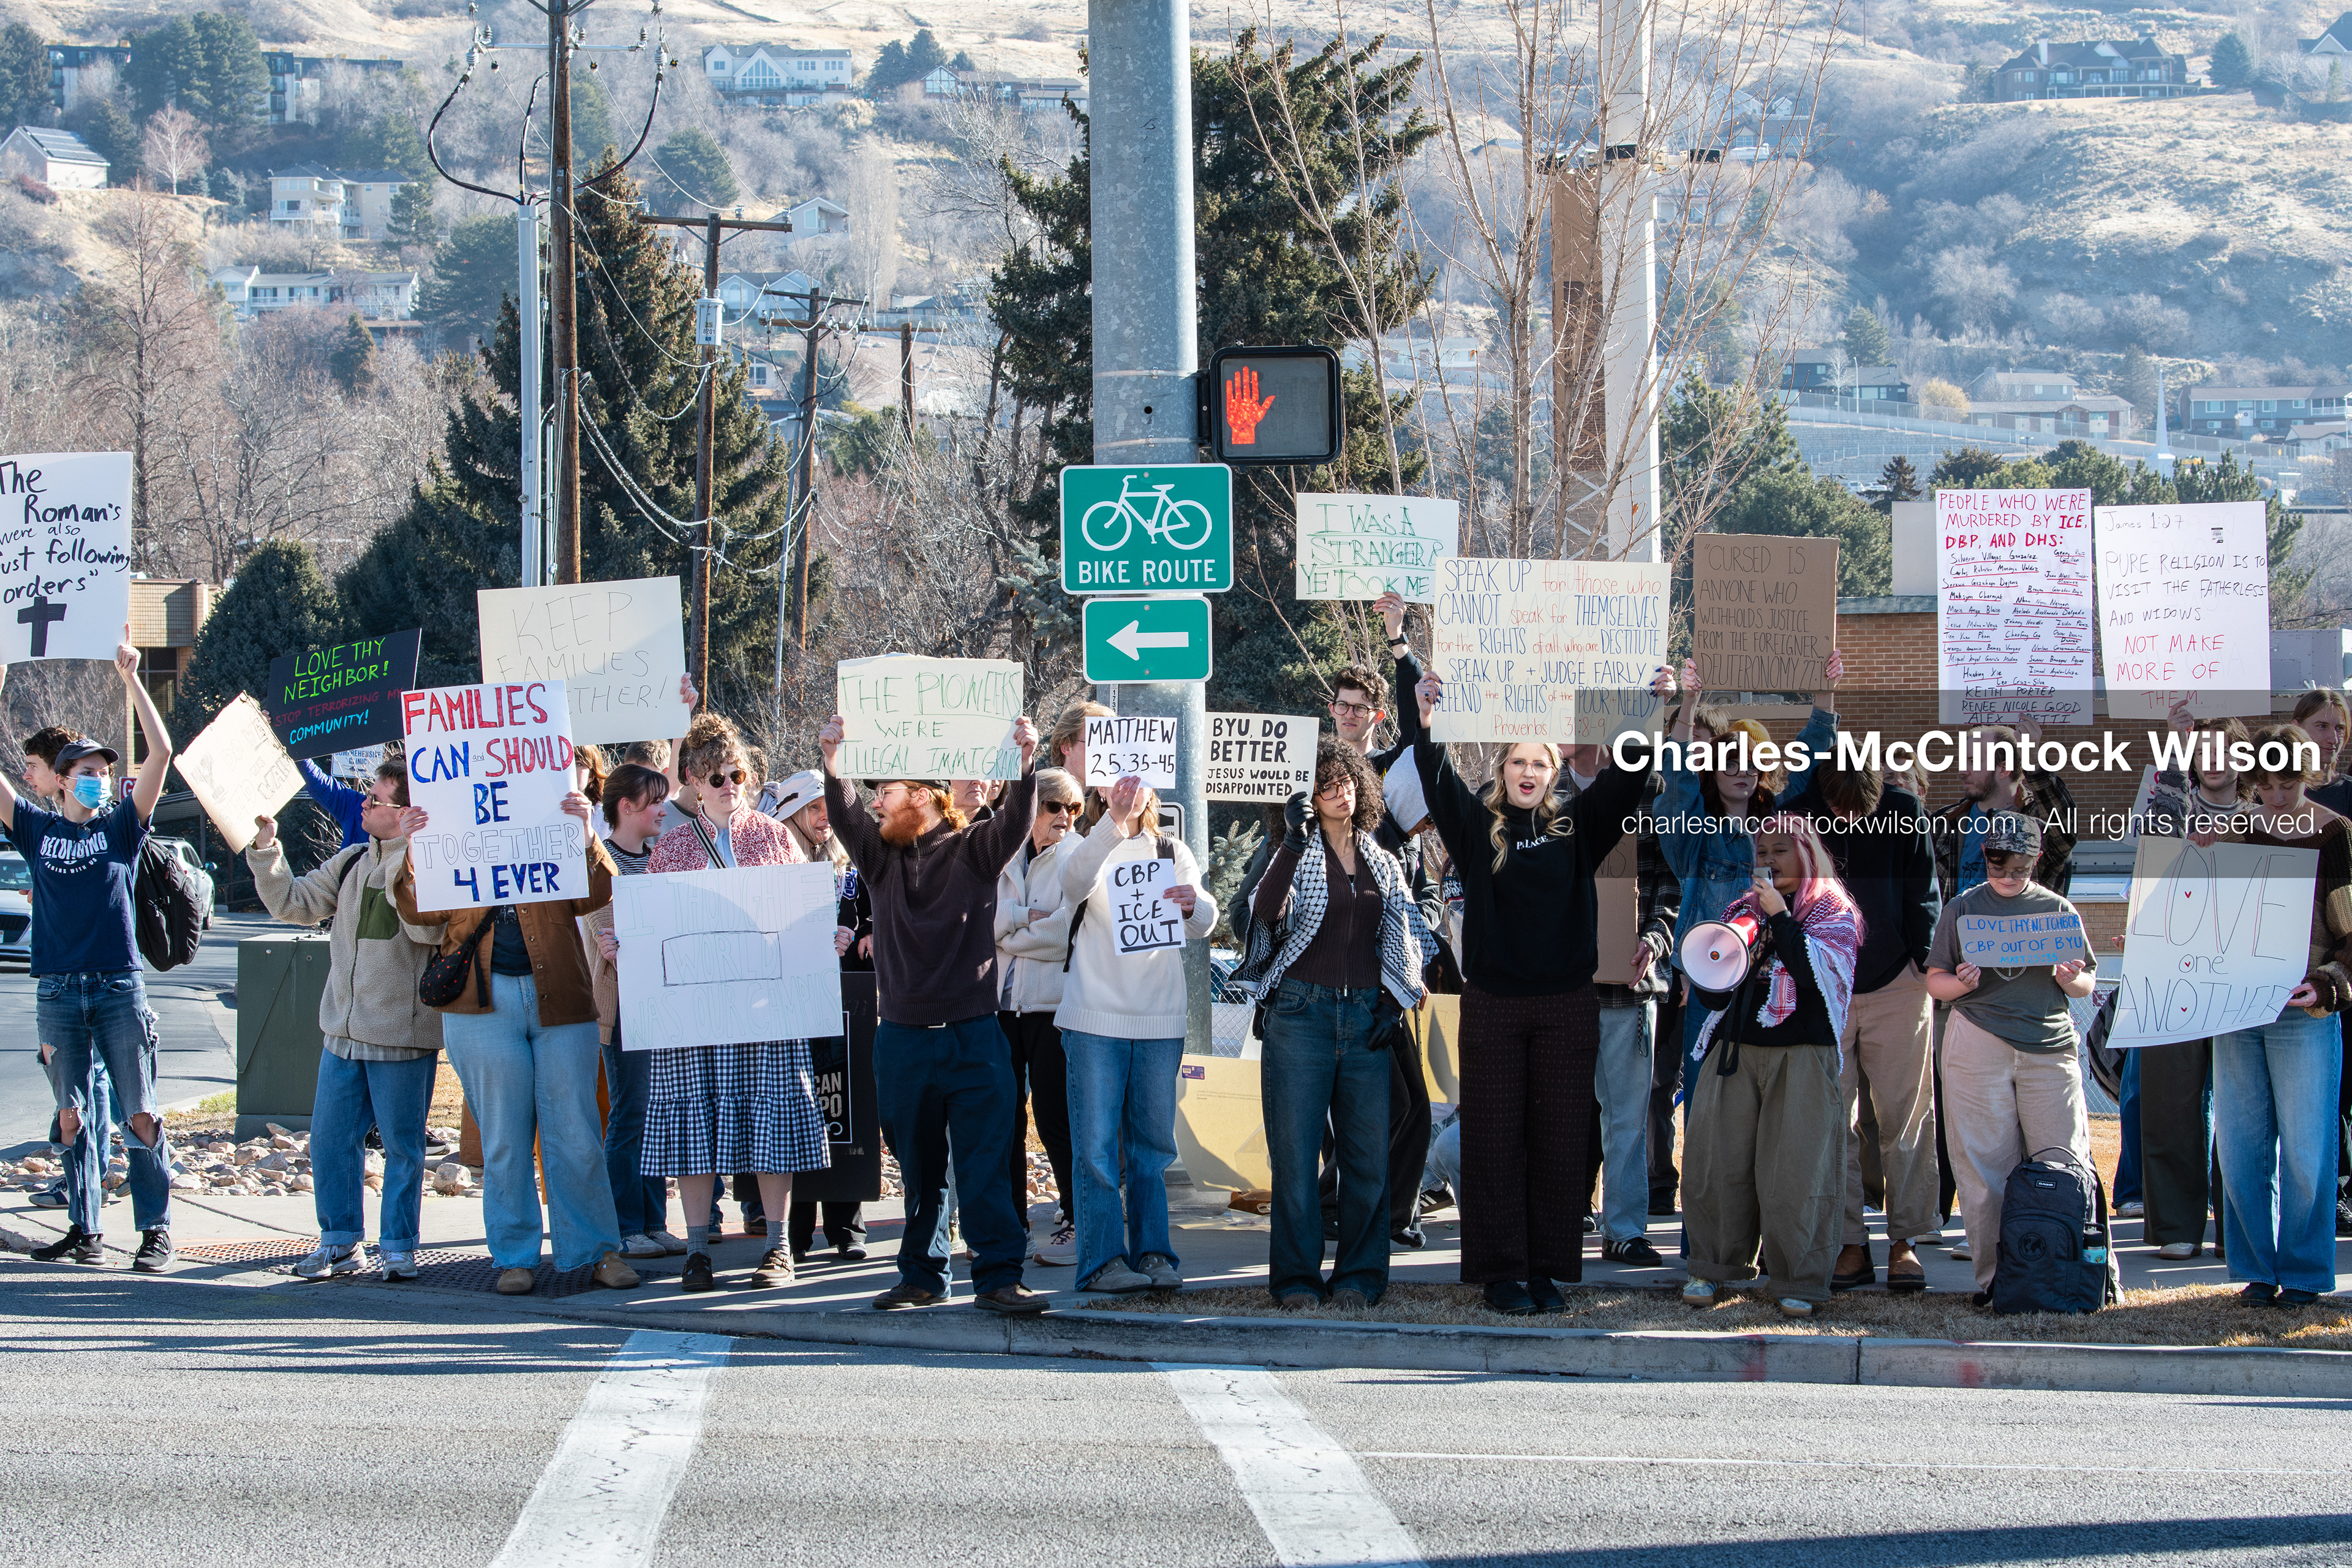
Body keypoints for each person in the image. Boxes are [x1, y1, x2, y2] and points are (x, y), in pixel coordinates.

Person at [1402, 666, 1650, 1314]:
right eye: (1518, 761)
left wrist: (1649, 705)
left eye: (1540, 761)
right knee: (1494, 1139)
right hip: (1493, 1008)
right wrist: (1424, 717)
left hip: (1567, 1006)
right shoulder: (1478, 830)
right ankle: (1502, 1273)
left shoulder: (1579, 826)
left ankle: (1546, 1270)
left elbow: (1627, 779)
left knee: (1560, 1138)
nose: (1529, 771)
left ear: (1553, 770)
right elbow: (1437, 775)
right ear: (1505, 769)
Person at [818, 710, 1050, 1314]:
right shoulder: (879, 859)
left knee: (985, 1165)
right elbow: (843, 815)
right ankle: (922, 1274)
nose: (877, 803)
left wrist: (1026, 762)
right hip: (901, 1040)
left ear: (920, 797)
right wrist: (833, 760)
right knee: (921, 1171)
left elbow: (1019, 819)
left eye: (886, 793)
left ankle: (1000, 1276)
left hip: (974, 1037)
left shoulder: (975, 850)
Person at [396, 780, 638, 1296]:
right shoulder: (449, 825)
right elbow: (420, 911)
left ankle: (599, 1251)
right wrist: (414, 849)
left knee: (577, 1130)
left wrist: (585, 834)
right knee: (504, 1137)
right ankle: (514, 1256)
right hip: (480, 1004)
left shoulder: (550, 814)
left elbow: (596, 894)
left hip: (561, 998)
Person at [637, 715, 838, 1294]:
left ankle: (778, 1247)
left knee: (773, 1113)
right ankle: (697, 1250)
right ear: (695, 781)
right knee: (693, 1123)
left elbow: (801, 918)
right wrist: (624, 946)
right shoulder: (672, 847)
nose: (731, 785)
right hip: (695, 1016)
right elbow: (656, 932)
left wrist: (826, 935)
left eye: (739, 774)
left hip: (764, 1008)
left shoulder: (774, 837)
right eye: (718, 776)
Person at [1236, 737, 1431, 1308]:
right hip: (1300, 1014)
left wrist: (1396, 999)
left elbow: (1404, 932)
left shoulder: (1381, 857)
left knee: (1367, 1158)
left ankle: (1360, 1277)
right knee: (1295, 1159)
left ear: (1360, 787)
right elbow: (1265, 914)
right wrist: (1294, 844)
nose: (1337, 790)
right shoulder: (1293, 850)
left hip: (1367, 1016)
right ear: (1307, 799)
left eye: (1344, 780)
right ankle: (1297, 1280)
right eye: (1323, 784)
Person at [9, 639, 176, 1271]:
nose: (97, 776)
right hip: (56, 989)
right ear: (59, 777)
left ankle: (154, 1230)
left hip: (116, 989)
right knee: (72, 1115)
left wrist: (132, 681)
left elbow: (161, 753)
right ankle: (86, 1230)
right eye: (84, 768)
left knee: (139, 1113)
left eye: (104, 770)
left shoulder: (121, 828)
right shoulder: (36, 829)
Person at [247, 761, 445, 1280]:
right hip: (341, 1034)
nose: (365, 804)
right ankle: (339, 1244)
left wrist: (413, 859)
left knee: (404, 1147)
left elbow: (427, 935)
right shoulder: (353, 858)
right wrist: (268, 851)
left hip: (402, 1037)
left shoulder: (433, 864)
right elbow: (293, 904)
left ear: (405, 813)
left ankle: (399, 1248)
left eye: (376, 799)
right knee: (331, 1142)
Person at [1680, 813, 1864, 1317]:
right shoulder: (1742, 910)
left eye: (1780, 850)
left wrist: (1780, 918)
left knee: (1797, 1171)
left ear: (1807, 854)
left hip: (1802, 1055)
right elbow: (1715, 998)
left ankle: (1797, 1279)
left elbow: (1812, 977)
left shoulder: (1834, 914)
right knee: (1719, 1164)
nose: (1768, 861)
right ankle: (1714, 1269)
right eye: (1761, 852)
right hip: (1737, 1050)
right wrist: (1712, 965)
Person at [1779, 750, 1941, 1294]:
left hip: (1899, 981)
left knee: (1907, 1118)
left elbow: (1924, 891)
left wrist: (1924, 961)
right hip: (1827, 983)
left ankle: (1907, 1241)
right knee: (1832, 1122)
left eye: (1861, 812)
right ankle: (1848, 1241)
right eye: (1840, 812)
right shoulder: (1795, 815)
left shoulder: (1905, 808)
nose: (1849, 822)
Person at [1923, 811, 2099, 1305]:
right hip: (1978, 1038)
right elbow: (1933, 980)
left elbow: (2085, 981)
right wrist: (1960, 984)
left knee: (2065, 1163)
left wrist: (2071, 979)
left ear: (2036, 860)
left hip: (2049, 1046)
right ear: (1986, 856)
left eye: (2019, 867)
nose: (2007, 876)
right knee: (1983, 1169)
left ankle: (2069, 1272)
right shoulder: (1961, 909)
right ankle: (1998, 1280)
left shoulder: (2059, 910)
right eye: (1998, 865)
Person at [2204, 723, 2352, 1308]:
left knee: (2309, 1148)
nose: (2276, 795)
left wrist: (2328, 985)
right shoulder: (2234, 832)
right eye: (2264, 784)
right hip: (2237, 1005)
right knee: (2240, 1145)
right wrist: (2192, 856)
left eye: (2287, 782)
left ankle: (2307, 1273)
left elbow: (2350, 932)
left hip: (2303, 1010)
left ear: (2306, 775)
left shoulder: (2335, 834)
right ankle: (2256, 1270)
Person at [1055, 771, 1218, 1294]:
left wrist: (1194, 904)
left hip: (1158, 1022)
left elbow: (1205, 919)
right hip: (1093, 1021)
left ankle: (1153, 1255)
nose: (1128, 790)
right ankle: (1102, 1262)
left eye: (1138, 783)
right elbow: (1072, 884)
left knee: (1152, 1150)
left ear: (1155, 791)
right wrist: (1113, 824)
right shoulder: (1086, 844)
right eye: (1115, 784)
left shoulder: (1171, 848)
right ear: (1101, 791)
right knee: (1097, 1150)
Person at [1660, 655, 1841, 1063]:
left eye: (1752, 764)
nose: (1743, 772)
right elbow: (1675, 782)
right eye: (1730, 763)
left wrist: (1825, 695)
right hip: (1711, 976)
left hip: (1775, 975)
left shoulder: (1780, 823)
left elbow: (1809, 759)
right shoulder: (1695, 837)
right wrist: (1689, 702)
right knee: (1705, 1092)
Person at [2127, 701, 2250, 1261]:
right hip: (2169, 975)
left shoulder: (2267, 814)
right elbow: (2155, 835)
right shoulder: (2168, 800)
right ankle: (2177, 1227)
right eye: (2205, 750)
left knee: (2245, 1107)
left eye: (2227, 750)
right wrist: (2176, 745)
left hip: (2242, 978)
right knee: (2170, 1103)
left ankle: (2240, 1227)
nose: (2215, 760)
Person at [1555, 739, 1679, 1268]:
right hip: (1558, 988)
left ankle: (1624, 1230)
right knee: (1557, 1115)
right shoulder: (1536, 791)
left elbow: (1669, 883)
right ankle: (1555, 1222)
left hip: (1628, 987)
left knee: (1628, 1118)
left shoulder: (1650, 792)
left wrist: (1655, 937)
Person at [766, 766, 872, 1263]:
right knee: (798, 1112)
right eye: (814, 807)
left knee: (845, 1110)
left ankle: (847, 1227)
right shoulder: (771, 866)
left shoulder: (852, 866)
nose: (825, 817)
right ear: (790, 812)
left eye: (829, 806)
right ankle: (797, 1231)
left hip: (847, 1006)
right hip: (787, 1009)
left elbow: (876, 915)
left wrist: (865, 936)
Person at [581, 763, 685, 1259]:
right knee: (630, 1112)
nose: (664, 809)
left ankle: (653, 1220)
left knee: (657, 1111)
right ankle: (624, 1225)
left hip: (665, 1004)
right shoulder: (602, 863)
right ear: (627, 806)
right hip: (623, 1006)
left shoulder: (662, 860)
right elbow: (604, 930)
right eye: (655, 801)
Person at [19, 723, 111, 1218]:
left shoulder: (110, 829)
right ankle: (83, 1195)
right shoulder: (45, 832)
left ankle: (88, 1179)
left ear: (60, 775)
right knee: (79, 1090)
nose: (27, 776)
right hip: (62, 982)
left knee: (91, 1086)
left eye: (33, 767)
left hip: (102, 979)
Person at [995, 767, 1083, 1266]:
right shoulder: (998, 850)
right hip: (1002, 1006)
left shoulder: (1078, 856)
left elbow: (1062, 934)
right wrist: (1014, 920)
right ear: (1030, 809)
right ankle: (1012, 1221)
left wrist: (1009, 930)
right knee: (1004, 1117)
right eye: (1055, 807)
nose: (1066, 818)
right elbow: (980, 921)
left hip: (1053, 1008)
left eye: (1073, 808)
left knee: (1055, 1116)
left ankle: (1073, 1214)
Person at [2296, 688, 2352, 1238]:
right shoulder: (2262, 807)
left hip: (2340, 964)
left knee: (2343, 1088)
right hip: (2285, 975)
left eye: (2339, 727)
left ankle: (2339, 1192)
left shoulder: (2346, 806)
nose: (2331, 737)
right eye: (2321, 725)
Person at [297, 757, 370, 850]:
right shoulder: (358, 807)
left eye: (377, 800)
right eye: (370, 795)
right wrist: (298, 751)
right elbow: (318, 782)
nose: (366, 804)